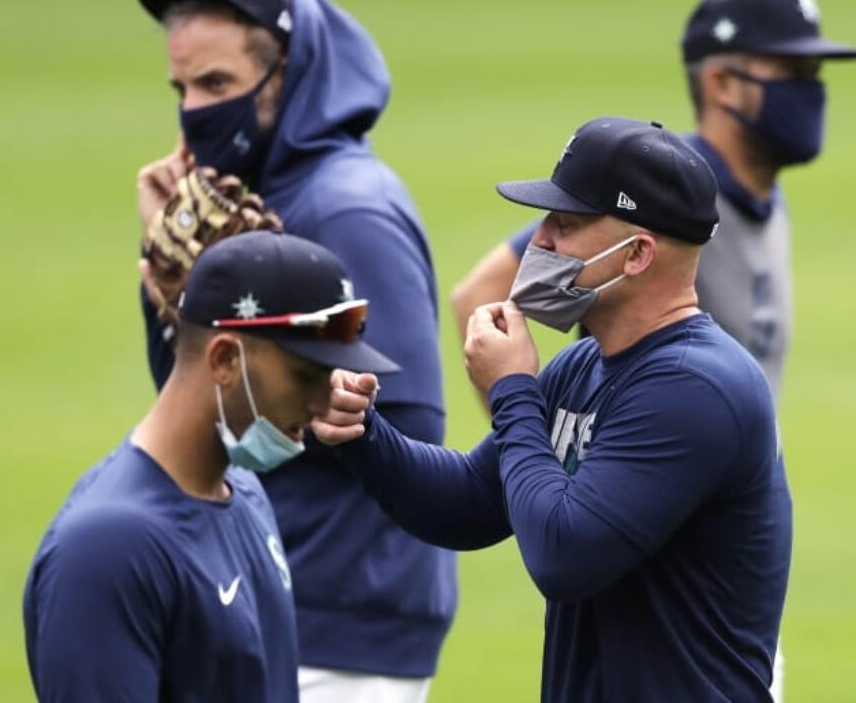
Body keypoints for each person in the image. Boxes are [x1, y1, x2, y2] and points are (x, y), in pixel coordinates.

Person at [315, 118, 793, 703]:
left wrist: (512, 388)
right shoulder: (586, 364)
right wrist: (363, 433)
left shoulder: (696, 388)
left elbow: (566, 555)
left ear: (638, 253)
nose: (539, 241)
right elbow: (467, 502)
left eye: (564, 224)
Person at [132, 0, 453, 700]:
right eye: (182, 89)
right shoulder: (240, 203)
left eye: (217, 85)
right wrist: (171, 277)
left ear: (288, 74)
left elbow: (409, 423)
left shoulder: (347, 208)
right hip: (272, 597)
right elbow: (190, 400)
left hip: (340, 622)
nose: (194, 112)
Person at [23, 231, 401, 703]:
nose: (328, 399)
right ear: (224, 359)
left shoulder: (244, 493)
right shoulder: (107, 549)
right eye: (307, 375)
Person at [451, 0, 856, 399]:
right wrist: (536, 447)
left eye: (814, 72)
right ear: (722, 83)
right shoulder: (661, 194)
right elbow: (480, 294)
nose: (811, 90)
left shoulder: (766, 200)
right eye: (791, 72)